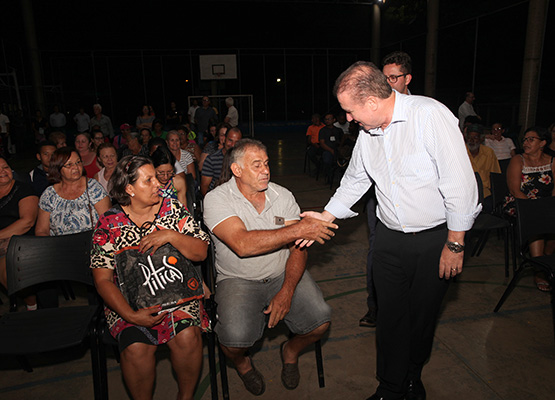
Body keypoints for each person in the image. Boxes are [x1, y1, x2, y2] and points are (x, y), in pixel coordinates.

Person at [299, 61, 480, 400]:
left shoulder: (429, 116)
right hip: (387, 239)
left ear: (370, 102)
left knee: (422, 318)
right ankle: (390, 386)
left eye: (349, 111)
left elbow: (460, 183)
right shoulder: (368, 134)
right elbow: (355, 181)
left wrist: (455, 243)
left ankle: (413, 376)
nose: (348, 119)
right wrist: (323, 217)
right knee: (390, 318)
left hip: (434, 240)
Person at [203, 139, 336, 395]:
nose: (265, 170)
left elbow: (297, 248)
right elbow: (242, 244)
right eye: (256, 165)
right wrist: (298, 228)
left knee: (320, 321)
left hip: (280, 273)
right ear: (237, 170)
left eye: (266, 163)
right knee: (232, 340)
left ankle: (290, 350)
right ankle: (243, 364)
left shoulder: (282, 195)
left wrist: (286, 290)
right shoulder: (217, 199)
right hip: (238, 279)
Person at [91, 155, 209, 400]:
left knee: (188, 336)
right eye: (149, 180)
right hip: (130, 300)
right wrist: (130, 314)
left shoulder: (171, 209)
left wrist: (171, 235)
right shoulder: (109, 224)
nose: (158, 184)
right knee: (135, 349)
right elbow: (102, 279)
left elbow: (201, 252)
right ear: (129, 189)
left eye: (156, 177)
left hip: (176, 292)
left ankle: (185, 397)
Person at [360, 51, 414, 329]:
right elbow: (358, 173)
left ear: (408, 79)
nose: (389, 83)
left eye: (394, 77)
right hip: (379, 198)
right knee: (378, 251)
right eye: (385, 78)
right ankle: (376, 306)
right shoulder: (371, 114)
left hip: (416, 203)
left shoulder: (421, 112)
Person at [503, 127, 555, 292]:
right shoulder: (518, 160)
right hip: (520, 203)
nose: (525, 143)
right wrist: (535, 209)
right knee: (537, 221)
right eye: (524, 139)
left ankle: (546, 258)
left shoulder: (552, 161)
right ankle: (539, 269)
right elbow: (515, 190)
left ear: (543, 143)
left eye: (531, 139)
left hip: (545, 204)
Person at [36, 147, 111, 237]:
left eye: (78, 162)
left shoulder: (93, 188)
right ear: (58, 168)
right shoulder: (49, 195)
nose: (76, 167)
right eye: (69, 165)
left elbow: (108, 222)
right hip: (59, 246)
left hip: (91, 244)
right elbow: (41, 230)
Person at [0, 156, 39, 311]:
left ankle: (32, 306)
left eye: (5, 167)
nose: (3, 172)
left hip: (22, 238)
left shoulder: (24, 189)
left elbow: (27, 221)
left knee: (8, 271)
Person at [465, 124, 501, 213]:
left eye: (476, 138)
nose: (472, 141)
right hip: (465, 192)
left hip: (485, 193)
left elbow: (496, 176)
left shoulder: (489, 153)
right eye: (469, 138)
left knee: (489, 207)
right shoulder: (460, 151)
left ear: (481, 139)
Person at [200, 127, 241, 196]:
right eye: (230, 140)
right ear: (224, 139)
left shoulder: (243, 160)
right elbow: (204, 187)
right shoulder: (212, 159)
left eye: (237, 142)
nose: (233, 145)